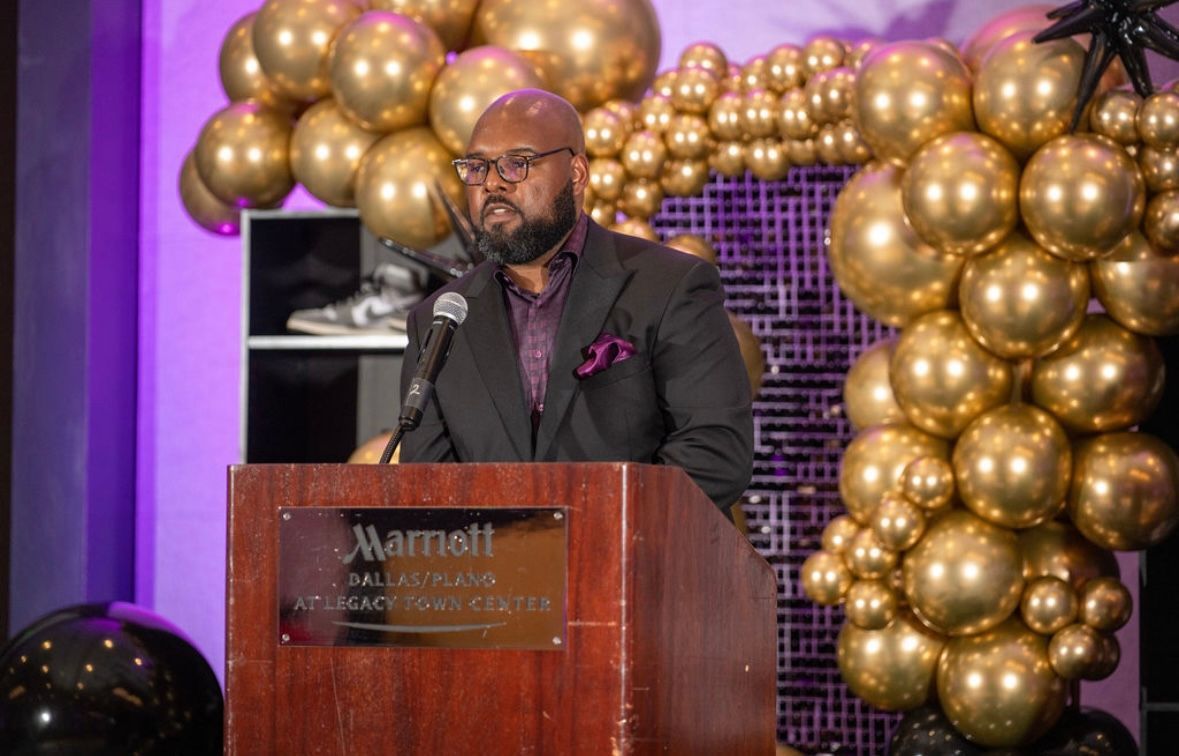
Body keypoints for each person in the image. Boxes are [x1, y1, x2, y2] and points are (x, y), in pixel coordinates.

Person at [398, 89, 753, 513]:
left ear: (577, 174)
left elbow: (714, 454)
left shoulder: (671, 286)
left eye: (516, 163)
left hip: (634, 549)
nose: (492, 183)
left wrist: (588, 532)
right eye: (477, 167)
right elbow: (429, 490)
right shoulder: (439, 320)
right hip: (496, 557)